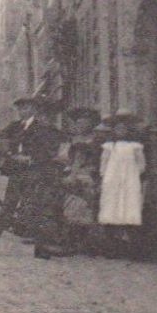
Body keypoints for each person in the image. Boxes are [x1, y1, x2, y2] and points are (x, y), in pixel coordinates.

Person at [0, 95, 63, 256]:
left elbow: (50, 150)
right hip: (17, 172)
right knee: (7, 207)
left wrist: (31, 159)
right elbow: (0, 135)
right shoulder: (15, 126)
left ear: (34, 110)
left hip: (35, 172)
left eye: (26, 108)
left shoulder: (44, 128)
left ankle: (40, 248)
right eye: (20, 108)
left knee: (34, 208)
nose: (22, 111)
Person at [55, 109, 105, 257]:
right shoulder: (73, 140)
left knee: (77, 194)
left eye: (84, 120)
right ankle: (66, 238)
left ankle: (80, 242)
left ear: (92, 123)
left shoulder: (95, 140)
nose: (80, 123)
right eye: (77, 120)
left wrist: (73, 174)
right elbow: (67, 159)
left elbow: (81, 161)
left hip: (90, 174)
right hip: (74, 172)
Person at [98, 113, 147, 256]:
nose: (121, 131)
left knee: (128, 206)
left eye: (124, 129)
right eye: (117, 129)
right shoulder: (109, 146)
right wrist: (104, 177)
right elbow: (104, 162)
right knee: (112, 207)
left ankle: (130, 244)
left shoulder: (134, 145)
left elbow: (141, 163)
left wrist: (136, 174)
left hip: (129, 178)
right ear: (113, 130)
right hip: (112, 178)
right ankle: (112, 244)